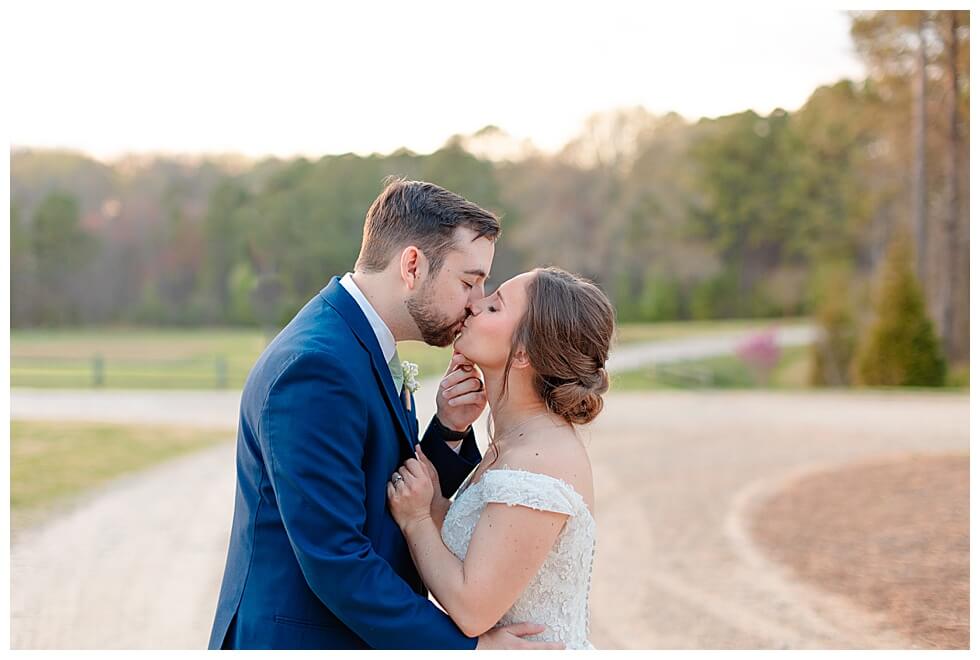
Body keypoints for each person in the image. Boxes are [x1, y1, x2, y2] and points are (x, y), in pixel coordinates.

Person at [209, 178, 561, 650]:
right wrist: (471, 650)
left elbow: (380, 487)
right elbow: (337, 560)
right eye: (468, 281)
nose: (476, 302)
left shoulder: (354, 339)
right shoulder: (315, 368)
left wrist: (448, 431)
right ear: (412, 265)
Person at [388, 266, 614, 650]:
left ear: (524, 353)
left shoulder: (540, 460)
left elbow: (473, 609)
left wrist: (417, 520)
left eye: (494, 308)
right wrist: (448, 431)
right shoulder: (513, 441)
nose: (475, 305)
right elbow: (472, 544)